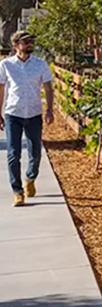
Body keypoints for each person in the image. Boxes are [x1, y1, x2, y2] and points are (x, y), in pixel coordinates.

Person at [0, 30, 54, 207]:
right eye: (26, 42)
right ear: (16, 45)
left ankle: (30, 177)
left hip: (33, 113)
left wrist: (49, 110)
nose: (30, 44)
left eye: (31, 41)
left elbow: (48, 88)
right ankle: (18, 191)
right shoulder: (6, 65)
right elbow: (1, 90)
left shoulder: (40, 64)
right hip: (13, 113)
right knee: (13, 154)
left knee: (35, 152)